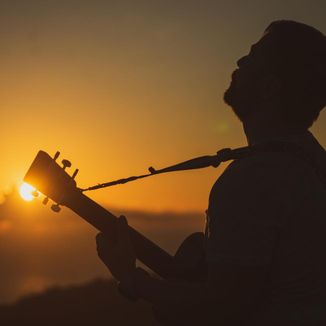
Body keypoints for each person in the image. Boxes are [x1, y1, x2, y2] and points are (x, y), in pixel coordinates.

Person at [96, 20, 326, 325]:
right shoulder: (313, 161)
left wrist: (130, 276)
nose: (240, 61)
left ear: (270, 88)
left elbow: (221, 306)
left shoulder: (253, 179)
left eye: (253, 56)